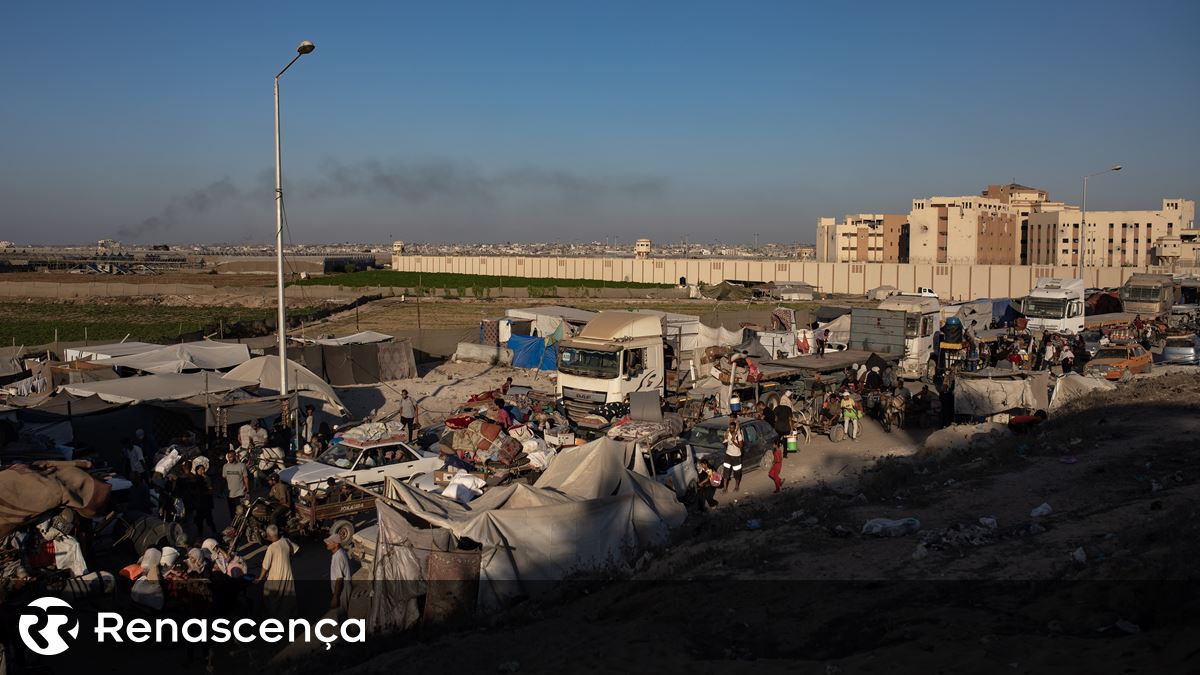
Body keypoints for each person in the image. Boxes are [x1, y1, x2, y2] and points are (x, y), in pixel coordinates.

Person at [258, 524, 299, 617]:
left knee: (271, 596)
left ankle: (276, 617)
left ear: (269, 536)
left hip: (275, 577)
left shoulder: (271, 548)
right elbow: (295, 550)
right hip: (287, 574)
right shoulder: (286, 541)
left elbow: (265, 566)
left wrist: (260, 578)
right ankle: (290, 616)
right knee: (288, 597)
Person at [326, 534, 352, 621]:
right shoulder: (341, 552)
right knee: (342, 614)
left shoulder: (338, 557)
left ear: (336, 544)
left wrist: (335, 597)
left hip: (342, 586)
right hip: (344, 585)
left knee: (342, 614)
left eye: (330, 542)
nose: (327, 544)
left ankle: (346, 633)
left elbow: (339, 578)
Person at [189, 462, 217, 537]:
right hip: (199, 504)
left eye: (203, 469)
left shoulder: (207, 478)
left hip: (206, 503)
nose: (203, 471)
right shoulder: (195, 479)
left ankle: (215, 533)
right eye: (201, 469)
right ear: (197, 471)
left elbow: (210, 490)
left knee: (209, 520)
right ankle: (200, 535)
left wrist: (207, 482)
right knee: (199, 521)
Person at [221, 451, 249, 523]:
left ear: (235, 456)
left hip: (240, 492)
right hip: (229, 494)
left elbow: (245, 478)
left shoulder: (242, 465)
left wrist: (247, 490)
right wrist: (223, 490)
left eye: (231, 457)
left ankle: (242, 525)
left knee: (241, 511)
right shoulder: (225, 466)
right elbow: (224, 479)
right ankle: (234, 526)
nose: (229, 458)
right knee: (232, 511)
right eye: (228, 457)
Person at [720, 420, 744, 493]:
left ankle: (736, 486)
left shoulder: (738, 435)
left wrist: (734, 441)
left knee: (737, 473)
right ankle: (725, 488)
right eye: (730, 428)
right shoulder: (728, 432)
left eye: (732, 428)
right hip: (728, 455)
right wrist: (726, 438)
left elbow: (741, 446)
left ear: (734, 428)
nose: (731, 429)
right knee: (726, 472)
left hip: (736, 456)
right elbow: (724, 439)